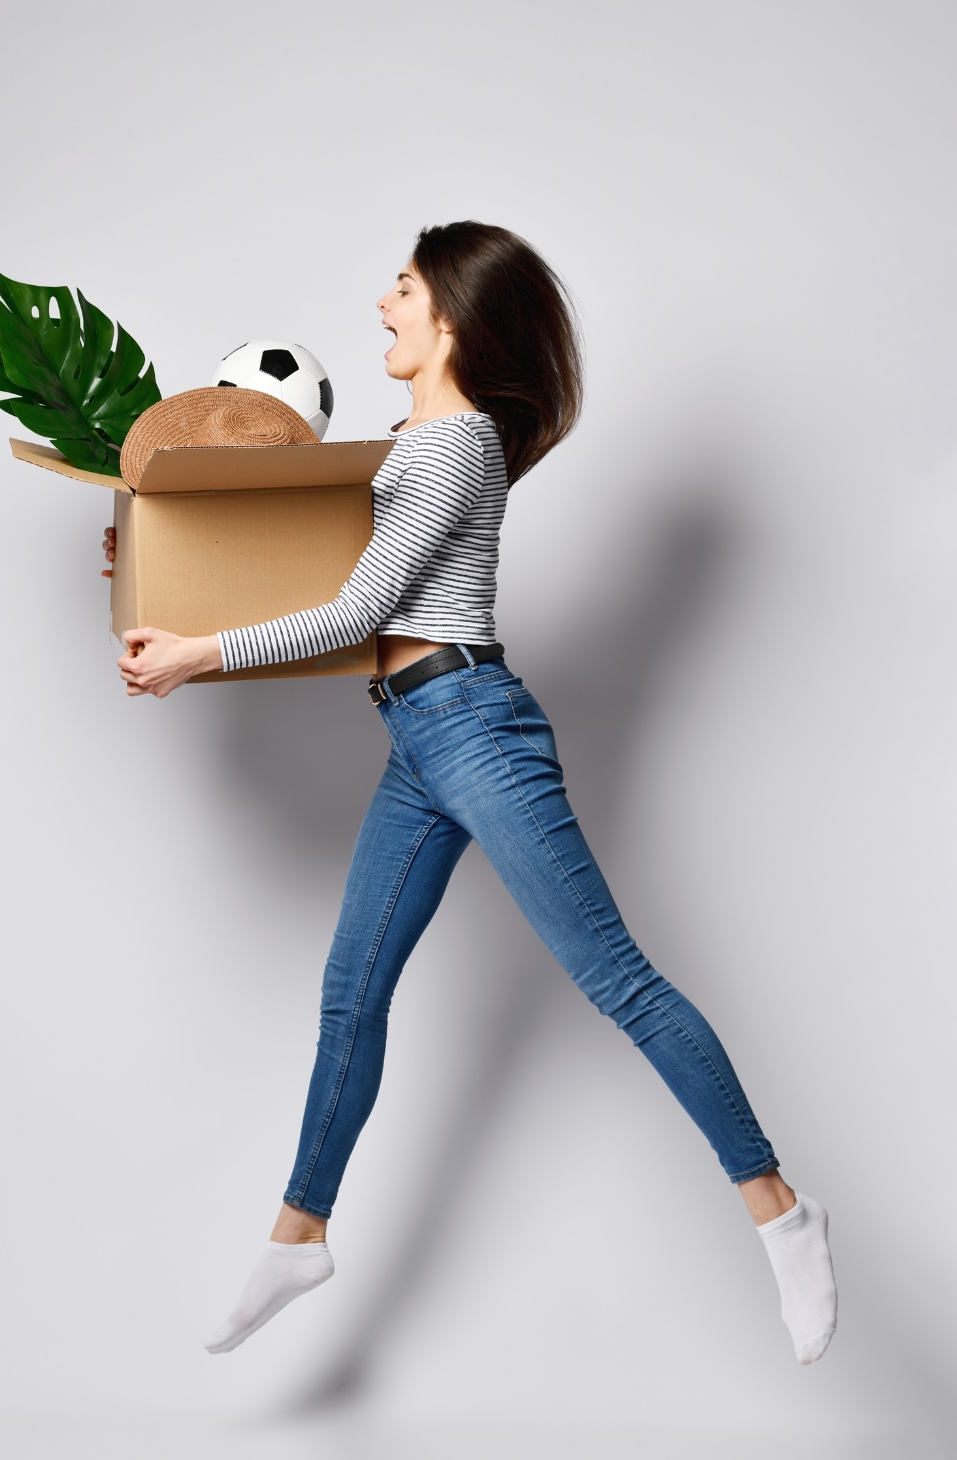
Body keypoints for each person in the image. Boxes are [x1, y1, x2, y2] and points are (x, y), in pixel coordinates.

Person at [104, 221, 838, 1365]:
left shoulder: (454, 446)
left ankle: (779, 1209)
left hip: (475, 731)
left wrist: (198, 652)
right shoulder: (410, 442)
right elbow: (303, 570)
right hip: (416, 741)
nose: (381, 304)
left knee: (620, 983)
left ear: (448, 309)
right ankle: (299, 1233)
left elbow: (353, 617)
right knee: (351, 997)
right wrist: (156, 563)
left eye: (400, 288)